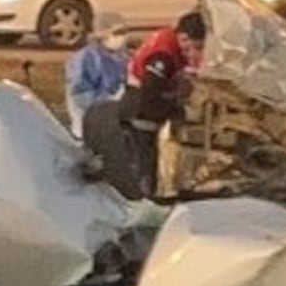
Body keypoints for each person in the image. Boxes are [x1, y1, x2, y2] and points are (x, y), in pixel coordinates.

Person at [82, 11, 205, 199]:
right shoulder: (162, 57)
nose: (194, 54)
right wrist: (176, 107)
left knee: (148, 161)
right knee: (148, 163)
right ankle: (148, 196)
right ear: (183, 37)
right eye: (193, 48)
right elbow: (151, 99)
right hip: (140, 112)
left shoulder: (169, 41)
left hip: (139, 103)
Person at [64, 13, 129, 139]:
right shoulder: (85, 59)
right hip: (89, 128)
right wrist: (111, 101)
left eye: (124, 32)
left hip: (114, 125)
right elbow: (81, 96)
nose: (122, 37)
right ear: (102, 34)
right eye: (117, 32)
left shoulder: (122, 57)